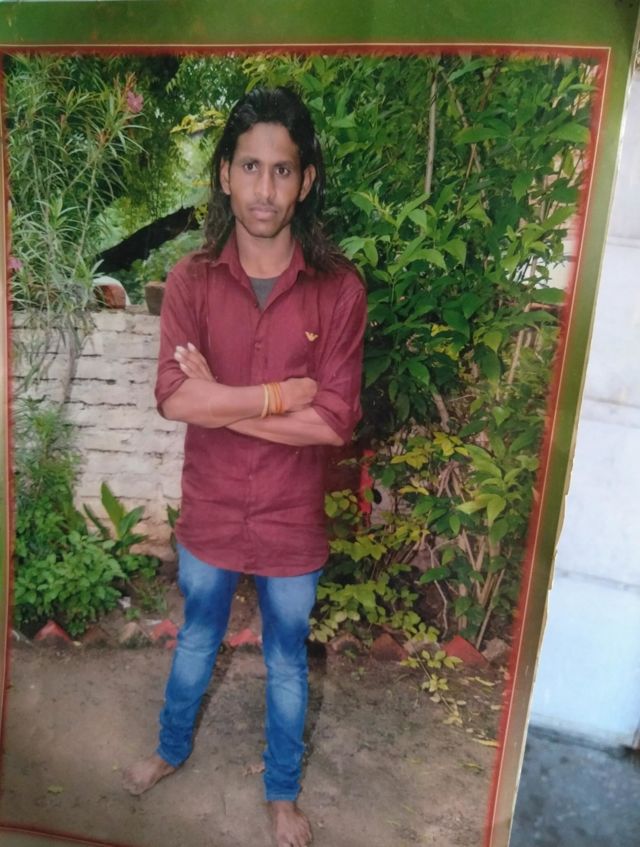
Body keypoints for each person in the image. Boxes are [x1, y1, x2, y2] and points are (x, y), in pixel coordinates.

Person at [122, 86, 367, 847]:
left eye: (282, 170)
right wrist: (274, 396)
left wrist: (221, 402)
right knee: (197, 637)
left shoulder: (339, 290)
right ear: (225, 173)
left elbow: (333, 420)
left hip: (292, 519)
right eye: (251, 167)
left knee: (288, 660)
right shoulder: (191, 281)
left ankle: (282, 794)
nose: (265, 188)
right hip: (213, 508)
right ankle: (170, 748)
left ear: (306, 180)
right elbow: (173, 398)